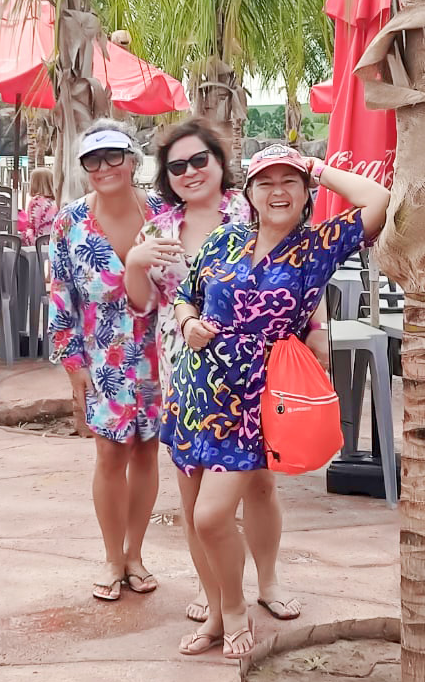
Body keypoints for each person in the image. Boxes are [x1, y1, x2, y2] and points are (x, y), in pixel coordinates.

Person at [161, 144, 390, 659]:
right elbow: (185, 294)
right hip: (197, 387)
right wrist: (188, 321)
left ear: (307, 192)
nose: (278, 191)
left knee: (212, 516)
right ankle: (216, 610)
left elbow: (378, 199)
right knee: (193, 507)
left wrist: (317, 167)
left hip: (257, 394)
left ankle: (238, 605)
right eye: (265, 182)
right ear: (249, 193)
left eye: (290, 181)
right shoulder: (224, 238)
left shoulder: (317, 246)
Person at [125, 117, 326, 624]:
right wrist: (134, 263)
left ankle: (268, 579)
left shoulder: (257, 203)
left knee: (260, 482)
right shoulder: (158, 228)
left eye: (199, 160)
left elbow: (304, 276)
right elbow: (143, 302)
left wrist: (318, 327)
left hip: (258, 367)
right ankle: (211, 589)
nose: (190, 172)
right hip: (185, 362)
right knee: (193, 488)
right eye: (177, 166)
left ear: (220, 163)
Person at [49, 120, 161, 602]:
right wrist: (72, 364)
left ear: (132, 160)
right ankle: (113, 557)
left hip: (158, 352)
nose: (104, 167)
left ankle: (136, 554)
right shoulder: (69, 222)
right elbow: (61, 295)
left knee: (147, 451)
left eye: (113, 156)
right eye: (92, 159)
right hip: (102, 356)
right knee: (110, 454)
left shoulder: (162, 213)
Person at [19, 167, 58, 245]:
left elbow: (33, 228)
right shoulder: (56, 201)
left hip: (40, 243)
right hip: (55, 241)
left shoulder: (36, 202)